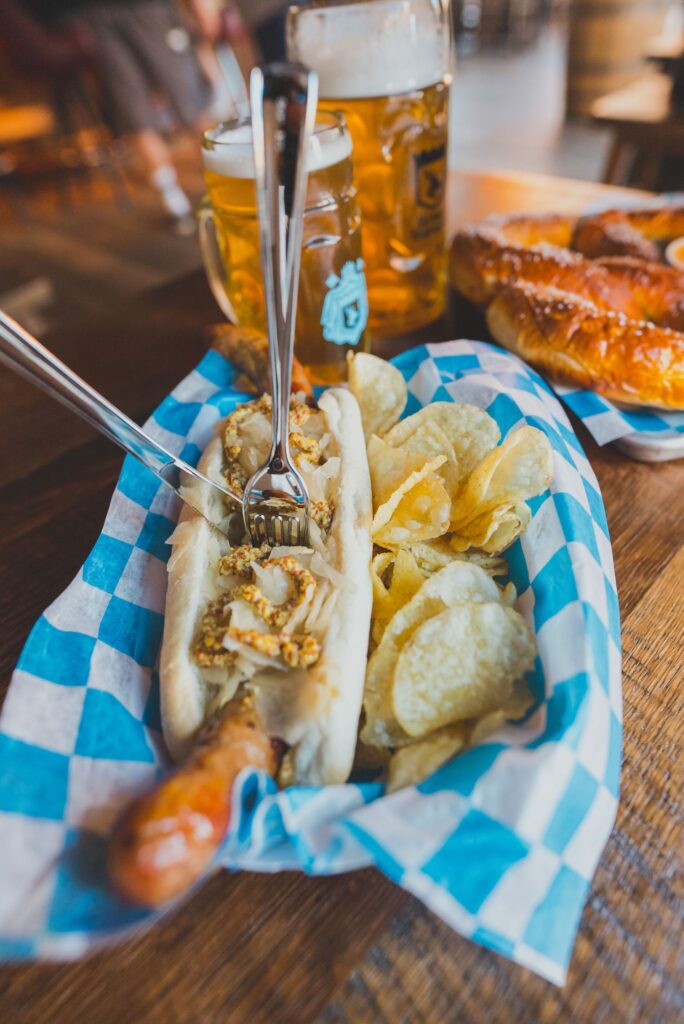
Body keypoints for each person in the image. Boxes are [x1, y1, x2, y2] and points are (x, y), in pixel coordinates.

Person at [24, 0, 214, 220]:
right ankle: (172, 195)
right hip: (94, 17)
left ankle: (188, 192)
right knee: (139, 107)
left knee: (183, 99)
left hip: (127, 12)